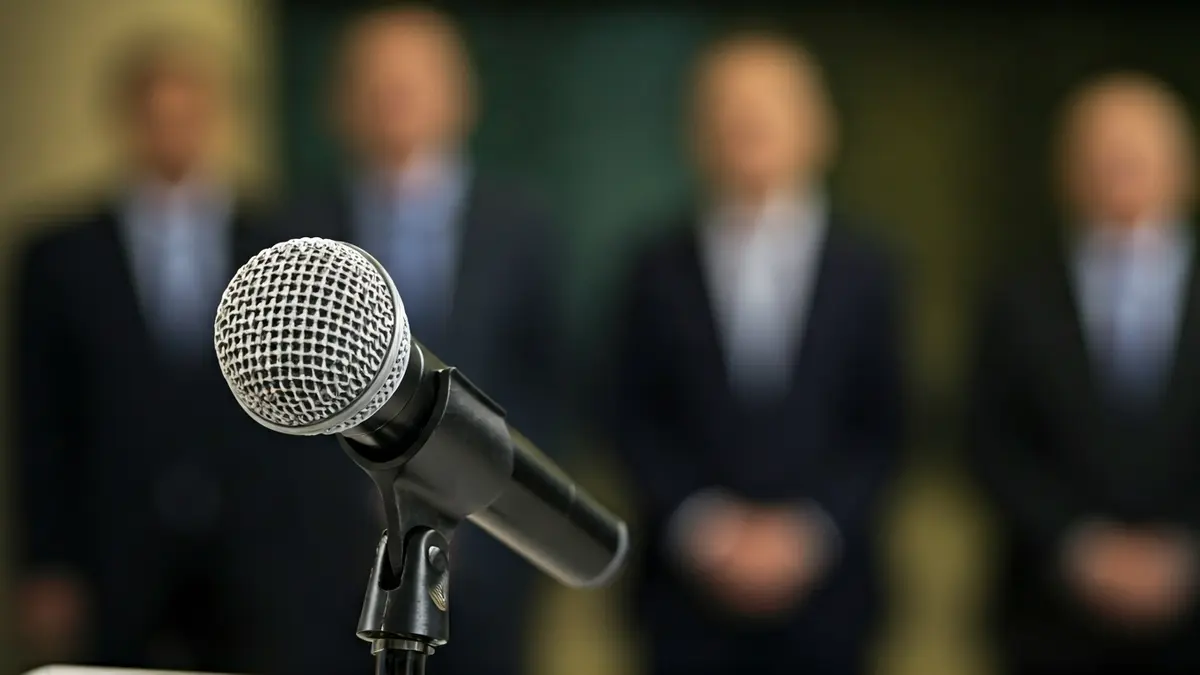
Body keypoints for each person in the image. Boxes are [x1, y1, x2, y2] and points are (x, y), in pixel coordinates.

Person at [9, 32, 323, 673]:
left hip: (256, 550)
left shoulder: (282, 244)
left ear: (217, 119)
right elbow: (40, 421)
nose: (174, 133)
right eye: (158, 116)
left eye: (190, 115)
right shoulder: (59, 256)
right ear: (127, 121)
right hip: (114, 548)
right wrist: (46, 561)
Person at [608, 30, 904, 675]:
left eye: (770, 107)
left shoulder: (870, 271)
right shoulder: (652, 268)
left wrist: (809, 533)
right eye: (728, 109)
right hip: (682, 605)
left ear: (820, 127)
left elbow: (886, 426)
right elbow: (627, 415)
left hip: (832, 602)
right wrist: (706, 529)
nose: (748, 124)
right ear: (694, 132)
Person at [283, 7, 564, 675]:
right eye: (375, 79)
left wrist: (473, 509)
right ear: (338, 102)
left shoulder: (524, 228)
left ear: (463, 95)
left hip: (489, 560)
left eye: (414, 78)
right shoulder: (292, 232)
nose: (394, 95)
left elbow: (550, 390)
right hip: (328, 568)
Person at [969, 72, 1200, 675]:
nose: (1119, 167)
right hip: (1049, 621)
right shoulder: (1016, 298)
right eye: (1101, 152)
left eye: (1138, 152)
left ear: (1185, 167)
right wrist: (1083, 549)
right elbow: (991, 442)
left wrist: (1183, 553)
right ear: (1065, 170)